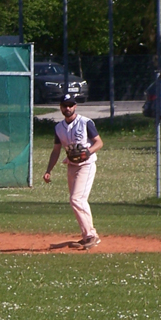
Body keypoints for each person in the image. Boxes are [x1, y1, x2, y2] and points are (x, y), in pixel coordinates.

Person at [43, 94, 104, 249]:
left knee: (77, 199)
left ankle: (91, 236)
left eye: (70, 105)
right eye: (65, 105)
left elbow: (99, 142)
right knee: (76, 200)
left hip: (87, 165)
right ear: (61, 107)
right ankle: (87, 235)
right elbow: (56, 150)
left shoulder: (85, 122)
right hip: (71, 165)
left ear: (75, 106)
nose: (68, 108)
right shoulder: (58, 128)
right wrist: (49, 169)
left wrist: (88, 152)